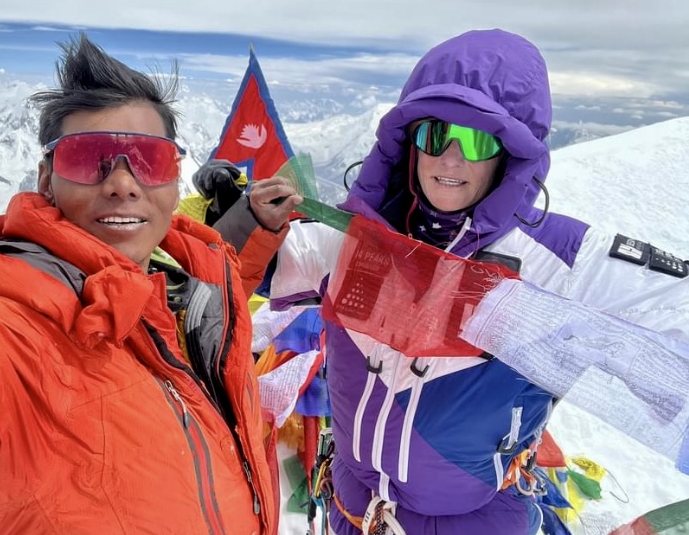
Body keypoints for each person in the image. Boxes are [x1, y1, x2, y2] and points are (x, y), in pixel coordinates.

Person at [0, 34, 301, 535]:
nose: (122, 182)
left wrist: (251, 223)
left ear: (175, 179)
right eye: (87, 157)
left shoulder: (171, 274)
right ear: (46, 180)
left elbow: (200, 308)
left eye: (150, 160)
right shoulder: (3, 338)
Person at [256, 29, 689, 534]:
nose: (451, 159)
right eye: (434, 134)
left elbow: (672, 311)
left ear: (510, 155)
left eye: (478, 139)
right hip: (353, 511)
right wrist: (241, 219)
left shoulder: (558, 262)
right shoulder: (355, 240)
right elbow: (250, 269)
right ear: (409, 143)